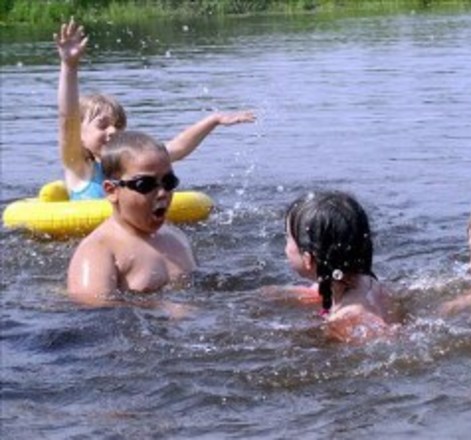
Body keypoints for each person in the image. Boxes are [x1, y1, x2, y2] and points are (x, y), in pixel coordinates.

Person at [55, 17, 255, 200]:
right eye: (102, 125)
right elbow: (67, 121)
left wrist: (213, 120)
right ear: (79, 134)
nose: (113, 130)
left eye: (119, 125)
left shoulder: (133, 162)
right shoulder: (78, 167)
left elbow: (178, 148)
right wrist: (69, 67)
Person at [67, 130, 197, 313]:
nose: (162, 193)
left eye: (168, 182)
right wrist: (161, 308)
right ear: (112, 191)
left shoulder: (175, 236)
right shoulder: (99, 251)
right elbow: (93, 308)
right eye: (145, 185)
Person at [281, 190, 401, 343]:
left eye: (287, 237)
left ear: (307, 258)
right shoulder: (367, 283)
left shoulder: (346, 320)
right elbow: (314, 292)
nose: (285, 247)